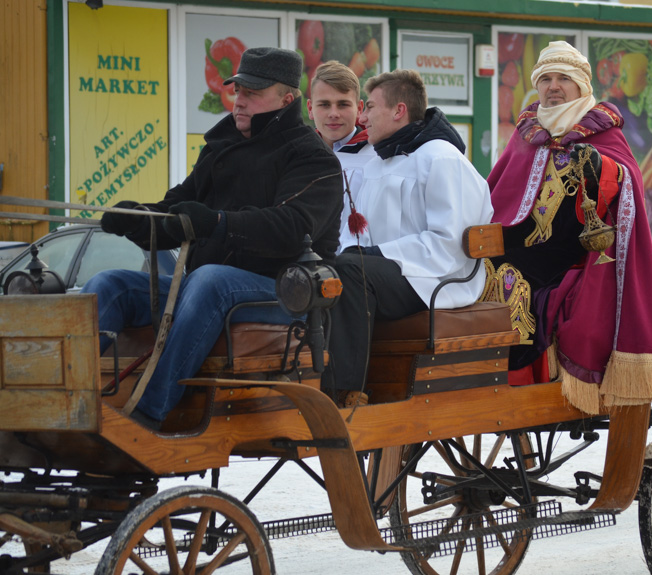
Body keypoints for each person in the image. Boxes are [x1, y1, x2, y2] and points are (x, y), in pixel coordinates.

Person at [85, 47, 343, 429]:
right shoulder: (221, 147)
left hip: (286, 294)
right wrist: (137, 219)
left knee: (209, 281)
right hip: (203, 289)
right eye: (238, 91)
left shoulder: (312, 156)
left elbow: (292, 227)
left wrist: (217, 222)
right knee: (111, 284)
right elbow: (177, 207)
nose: (239, 101)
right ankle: (68, 400)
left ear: (287, 99)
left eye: (252, 93)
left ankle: (147, 416)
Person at [485, 41, 652, 414]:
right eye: (546, 79)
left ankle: (519, 380)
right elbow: (499, 191)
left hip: (578, 254)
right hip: (523, 244)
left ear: (582, 86)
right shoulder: (527, 134)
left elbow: (628, 182)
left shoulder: (603, 131)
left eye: (563, 79)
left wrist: (601, 168)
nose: (553, 87)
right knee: (476, 272)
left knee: (513, 282)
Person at [325, 69, 493, 405]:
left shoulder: (441, 158)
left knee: (351, 272)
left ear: (399, 110)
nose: (363, 117)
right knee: (327, 270)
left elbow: (448, 243)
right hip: (397, 273)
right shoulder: (379, 163)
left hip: (438, 279)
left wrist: (375, 255)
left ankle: (343, 392)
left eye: (370, 107)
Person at [305, 60, 376, 253]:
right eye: (324, 105)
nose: (333, 113)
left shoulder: (376, 158)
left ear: (360, 109)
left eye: (343, 104)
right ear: (310, 109)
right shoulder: (299, 157)